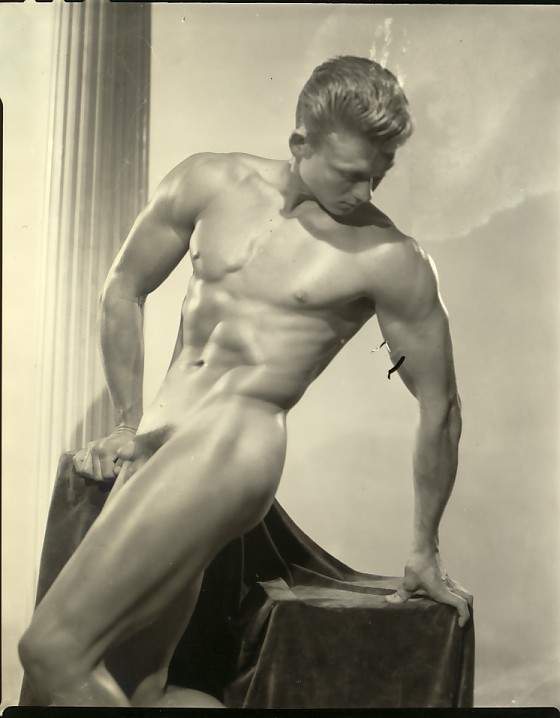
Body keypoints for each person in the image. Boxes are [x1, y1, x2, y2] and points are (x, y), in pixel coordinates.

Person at [19, 56, 471, 707]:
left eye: (380, 174)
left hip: (234, 444)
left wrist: (424, 548)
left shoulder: (391, 258)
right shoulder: (209, 181)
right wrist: (125, 421)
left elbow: (441, 406)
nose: (366, 191)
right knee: (138, 689)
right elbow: (123, 287)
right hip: (163, 442)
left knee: (51, 650)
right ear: (299, 143)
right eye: (351, 173)